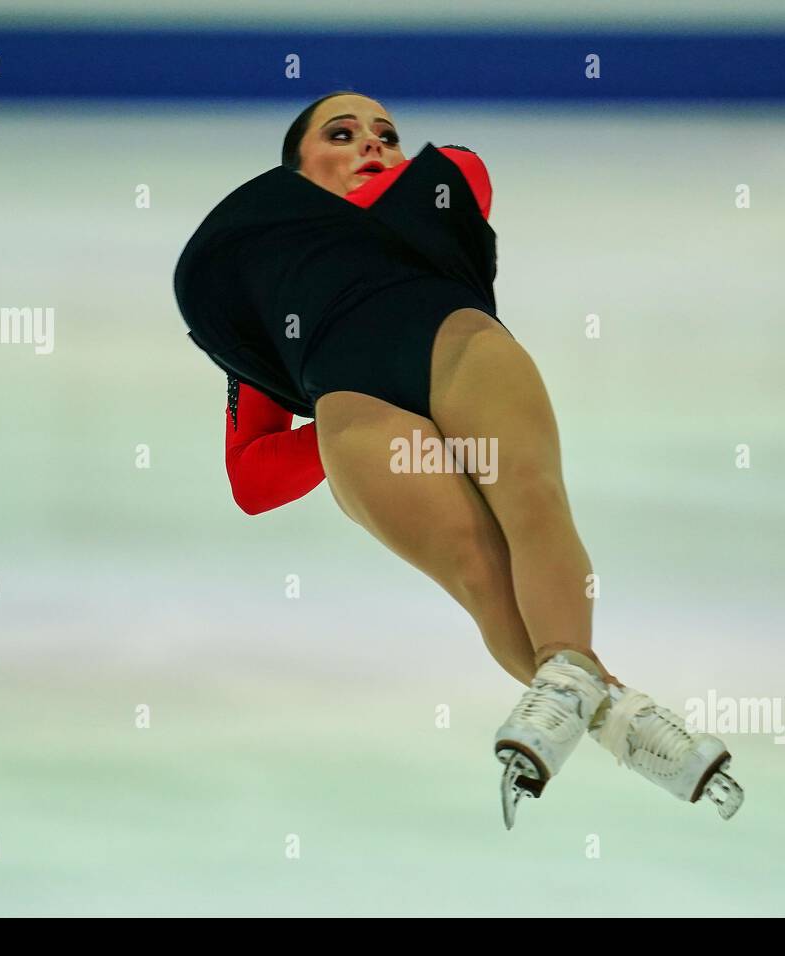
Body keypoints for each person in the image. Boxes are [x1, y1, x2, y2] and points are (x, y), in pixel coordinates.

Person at [175, 91, 743, 828]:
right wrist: (367, 432)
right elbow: (250, 477)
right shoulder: (258, 274)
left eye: (387, 134)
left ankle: (587, 693)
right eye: (341, 134)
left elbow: (459, 174)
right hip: (356, 407)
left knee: (530, 500)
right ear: (290, 172)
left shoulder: (443, 187)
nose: (372, 144)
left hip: (456, 343)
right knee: (479, 567)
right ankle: (621, 717)